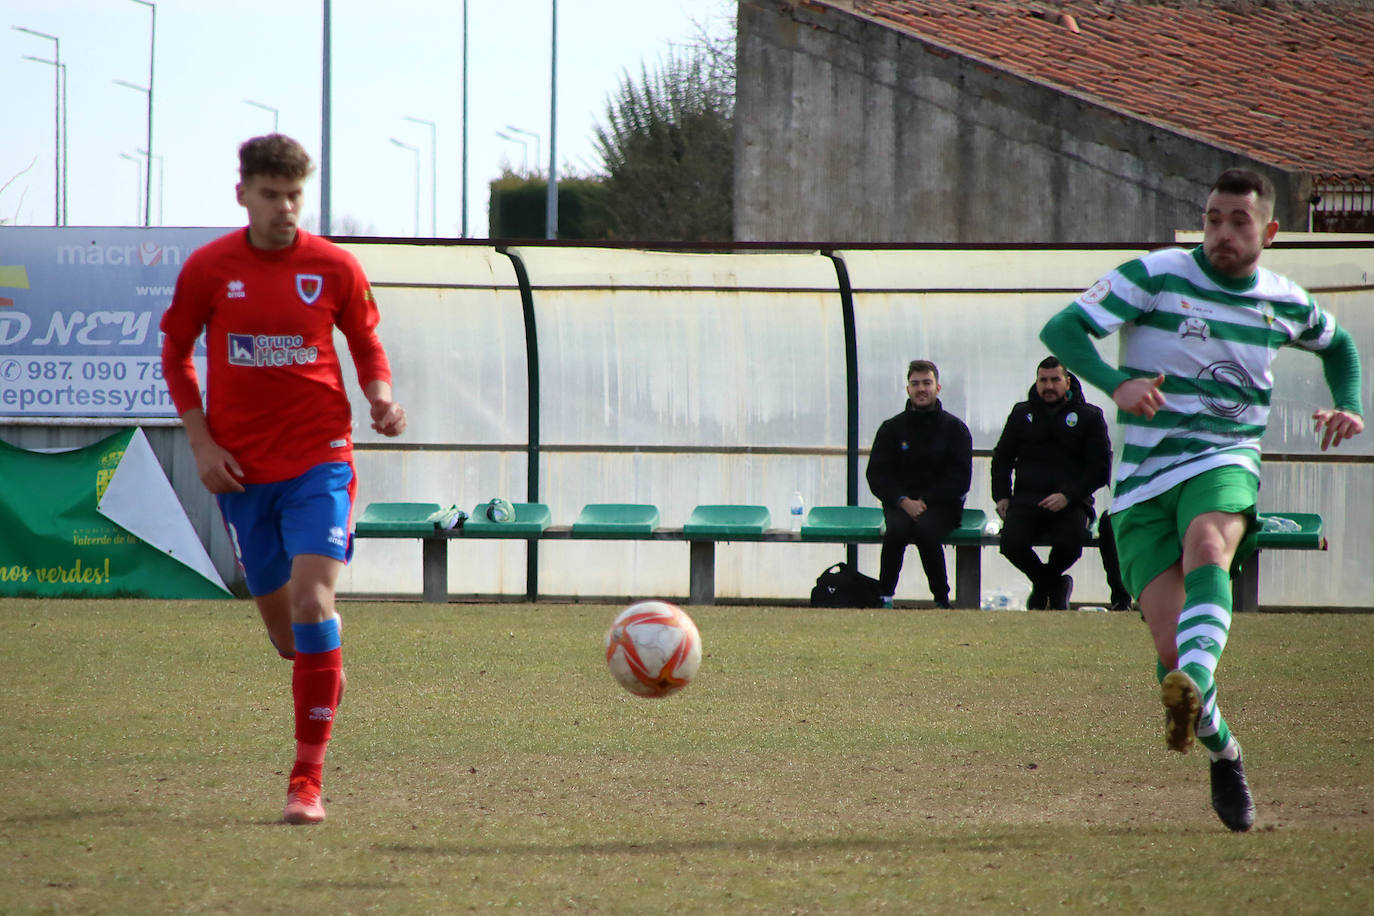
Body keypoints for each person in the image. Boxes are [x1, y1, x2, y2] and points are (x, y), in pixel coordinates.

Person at [1041, 167, 1364, 832]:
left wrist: (1349, 405)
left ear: (1270, 232)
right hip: (1140, 485)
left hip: (1223, 460)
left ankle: (1193, 678)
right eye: (1213, 218)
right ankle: (1224, 748)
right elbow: (1064, 329)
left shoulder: (1283, 300)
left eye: (1238, 221)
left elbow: (1340, 347)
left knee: (1209, 546)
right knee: (1169, 645)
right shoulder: (1153, 275)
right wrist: (1114, 382)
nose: (1222, 231)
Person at [160, 134, 408, 825]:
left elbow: (365, 340)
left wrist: (380, 395)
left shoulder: (332, 266)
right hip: (241, 475)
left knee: (311, 599)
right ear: (243, 194)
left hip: (321, 460)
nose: (284, 208)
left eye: (295, 195)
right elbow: (176, 356)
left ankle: (307, 780)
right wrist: (202, 444)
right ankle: (319, 671)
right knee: (289, 640)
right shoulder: (210, 269)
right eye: (271, 195)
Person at [990, 357, 1111, 610]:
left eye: (1055, 379)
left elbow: (1100, 469)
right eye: (1043, 380)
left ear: (1067, 381)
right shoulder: (1022, 413)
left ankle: (1044, 587)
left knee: (1070, 544)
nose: (1048, 386)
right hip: (1026, 499)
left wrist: (1068, 495)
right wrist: (1002, 495)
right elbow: (1002, 457)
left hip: (1072, 502)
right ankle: (1052, 584)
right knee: (1011, 544)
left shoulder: (1089, 416)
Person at [866, 360, 972, 608]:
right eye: (915, 384)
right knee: (897, 530)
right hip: (900, 504)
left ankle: (941, 599)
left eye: (927, 383)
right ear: (907, 389)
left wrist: (926, 502)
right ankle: (885, 596)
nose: (921, 389)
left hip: (942, 506)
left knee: (926, 531)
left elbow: (960, 478)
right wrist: (903, 501)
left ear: (938, 387)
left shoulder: (955, 429)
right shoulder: (891, 429)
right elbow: (878, 475)